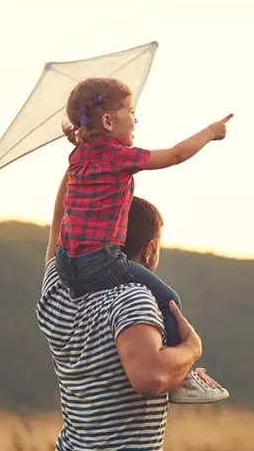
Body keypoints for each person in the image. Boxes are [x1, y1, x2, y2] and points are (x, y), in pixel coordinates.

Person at [54, 77, 231, 402]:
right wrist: (210, 132)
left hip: (65, 263)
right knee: (169, 300)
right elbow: (175, 155)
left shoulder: (78, 157)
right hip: (101, 262)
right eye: (131, 112)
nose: (136, 119)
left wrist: (82, 138)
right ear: (108, 122)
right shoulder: (117, 156)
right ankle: (182, 377)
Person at [38, 184, 223, 450]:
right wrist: (192, 349)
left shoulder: (58, 289)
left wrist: (84, 152)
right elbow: (151, 378)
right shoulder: (131, 297)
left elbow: (61, 214)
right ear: (149, 250)